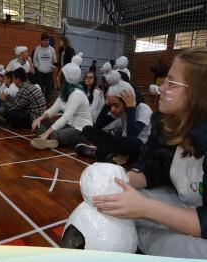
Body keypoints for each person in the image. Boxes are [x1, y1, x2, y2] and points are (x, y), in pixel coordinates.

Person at [91, 47, 207, 259]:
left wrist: (145, 209)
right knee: (116, 204)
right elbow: (150, 171)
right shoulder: (165, 123)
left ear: (198, 94)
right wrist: (114, 180)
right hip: (182, 204)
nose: (160, 89)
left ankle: (144, 239)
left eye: (171, 83)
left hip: (199, 220)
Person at [76, 70, 152, 163]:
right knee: (87, 129)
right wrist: (106, 105)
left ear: (126, 102)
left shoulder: (144, 109)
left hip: (139, 147)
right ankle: (110, 154)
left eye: (116, 105)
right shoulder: (119, 110)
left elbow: (132, 135)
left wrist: (130, 108)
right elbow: (98, 126)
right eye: (110, 106)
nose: (112, 109)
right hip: (122, 143)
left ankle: (99, 152)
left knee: (135, 142)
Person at [31, 53, 92, 150]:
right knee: (38, 121)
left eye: (59, 76)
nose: (57, 78)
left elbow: (66, 117)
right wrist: (40, 118)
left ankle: (48, 138)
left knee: (56, 134)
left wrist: (48, 132)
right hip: (69, 125)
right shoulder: (65, 92)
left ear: (65, 78)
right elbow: (53, 109)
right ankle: (49, 140)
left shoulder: (77, 94)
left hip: (81, 130)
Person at [33, 33, 57, 103]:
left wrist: (53, 66)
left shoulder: (52, 49)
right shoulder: (37, 49)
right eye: (45, 40)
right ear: (42, 41)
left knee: (49, 90)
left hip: (49, 73)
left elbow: (54, 60)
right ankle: (40, 103)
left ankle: (47, 104)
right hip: (40, 73)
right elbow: (34, 60)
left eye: (48, 40)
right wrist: (38, 67)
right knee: (39, 89)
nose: (47, 42)